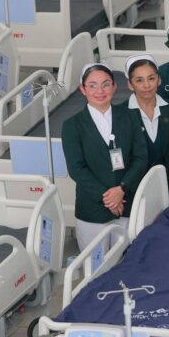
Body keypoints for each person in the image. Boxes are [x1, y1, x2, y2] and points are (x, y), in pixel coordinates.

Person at [61, 64, 149, 251]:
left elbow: (140, 157)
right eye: (92, 86)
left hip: (127, 203)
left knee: (127, 260)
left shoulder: (130, 117)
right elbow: (76, 169)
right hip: (92, 208)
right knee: (95, 264)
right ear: (82, 89)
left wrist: (122, 189)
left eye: (105, 84)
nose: (100, 91)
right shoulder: (72, 126)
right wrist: (108, 198)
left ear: (114, 87)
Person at [123, 54, 169, 181]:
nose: (147, 85)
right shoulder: (121, 113)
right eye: (139, 80)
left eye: (151, 78)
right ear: (130, 84)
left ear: (159, 80)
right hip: (135, 185)